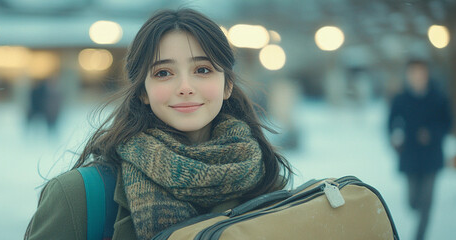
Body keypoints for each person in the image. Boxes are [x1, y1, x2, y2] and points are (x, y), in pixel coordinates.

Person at [24, 8, 292, 240]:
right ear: (143, 91)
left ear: (227, 85)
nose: (185, 87)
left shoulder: (268, 187)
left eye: (202, 70)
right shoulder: (78, 197)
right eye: (164, 73)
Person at [388, 59, 452, 240]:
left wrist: (431, 133)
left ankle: (419, 236)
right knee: (413, 201)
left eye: (420, 72)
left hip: (432, 157)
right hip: (409, 156)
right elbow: (391, 122)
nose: (417, 77)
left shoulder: (438, 97)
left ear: (426, 74)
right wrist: (395, 136)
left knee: (427, 202)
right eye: (413, 73)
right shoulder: (400, 99)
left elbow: (447, 123)